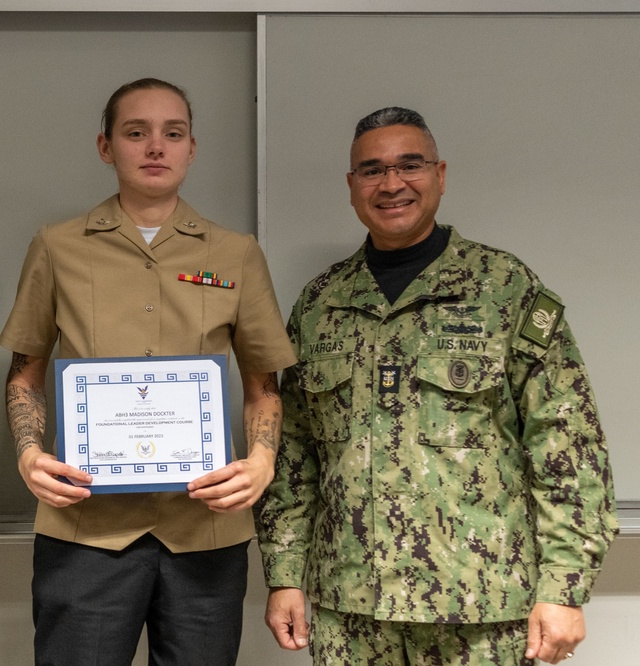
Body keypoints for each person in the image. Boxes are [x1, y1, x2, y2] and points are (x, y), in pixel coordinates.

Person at [257, 106, 618, 666]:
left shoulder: (506, 288)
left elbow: (567, 444)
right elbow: (294, 453)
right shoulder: (321, 304)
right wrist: (283, 574)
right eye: (372, 170)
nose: (392, 183)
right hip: (351, 610)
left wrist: (564, 589)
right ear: (352, 186)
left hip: (480, 607)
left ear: (440, 175)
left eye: (410, 165)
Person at [0, 78, 296, 665]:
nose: (155, 147)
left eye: (173, 133)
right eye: (136, 132)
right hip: (85, 528)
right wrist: (29, 453)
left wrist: (261, 463)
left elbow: (264, 387)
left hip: (205, 529)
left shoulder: (234, 253)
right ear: (106, 147)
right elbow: (25, 374)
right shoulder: (58, 246)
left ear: (192, 148)